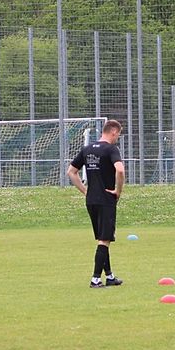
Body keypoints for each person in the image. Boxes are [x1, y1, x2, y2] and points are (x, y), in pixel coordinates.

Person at [67, 119, 125, 288]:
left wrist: (85, 191)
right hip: (106, 199)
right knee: (104, 240)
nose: (117, 138)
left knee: (102, 238)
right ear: (113, 132)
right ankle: (95, 279)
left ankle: (110, 276)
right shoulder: (111, 149)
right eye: (118, 135)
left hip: (91, 200)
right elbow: (120, 170)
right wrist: (118, 190)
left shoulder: (87, 149)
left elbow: (71, 172)